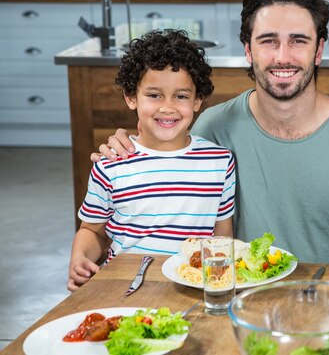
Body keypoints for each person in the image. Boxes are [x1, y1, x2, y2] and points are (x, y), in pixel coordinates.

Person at [92, 0, 329, 265]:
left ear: (319, 50)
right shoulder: (211, 129)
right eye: (268, 41)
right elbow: (160, 184)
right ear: (248, 51)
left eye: (298, 41)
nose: (282, 56)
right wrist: (128, 145)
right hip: (232, 305)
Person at [69, 29, 236, 291]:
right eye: (154, 95)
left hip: (191, 289)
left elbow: (223, 237)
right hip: (126, 288)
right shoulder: (111, 163)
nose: (167, 107)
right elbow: (92, 230)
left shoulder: (220, 162)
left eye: (180, 96)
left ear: (197, 100)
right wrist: (80, 259)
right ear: (131, 97)